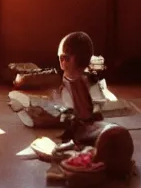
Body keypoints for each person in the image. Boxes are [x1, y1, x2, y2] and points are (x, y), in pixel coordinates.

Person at [51, 32, 135, 179]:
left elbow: (84, 117)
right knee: (107, 131)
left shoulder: (77, 83)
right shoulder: (83, 80)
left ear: (67, 60)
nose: (61, 62)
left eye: (62, 58)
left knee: (92, 134)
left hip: (92, 131)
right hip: (105, 131)